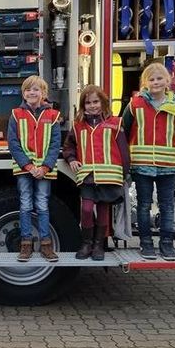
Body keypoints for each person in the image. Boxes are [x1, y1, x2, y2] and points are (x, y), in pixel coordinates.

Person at [121, 62, 175, 261]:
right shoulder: (135, 104)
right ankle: (146, 244)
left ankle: (167, 244)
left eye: (159, 78)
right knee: (143, 205)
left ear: (168, 81)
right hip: (141, 163)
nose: (156, 82)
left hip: (167, 164)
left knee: (167, 206)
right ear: (145, 83)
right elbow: (125, 129)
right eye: (151, 79)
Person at [63, 84, 129, 261]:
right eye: (88, 103)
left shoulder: (115, 124)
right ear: (83, 106)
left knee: (103, 211)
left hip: (109, 177)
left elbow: (123, 151)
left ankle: (99, 245)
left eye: (96, 102)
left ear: (103, 102)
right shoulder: (78, 127)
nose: (92, 106)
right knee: (85, 209)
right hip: (88, 177)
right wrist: (71, 159)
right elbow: (68, 146)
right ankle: (86, 244)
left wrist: (124, 175)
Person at [7, 75, 62, 262]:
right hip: (25, 169)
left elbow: (55, 144)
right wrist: (29, 166)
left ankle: (46, 245)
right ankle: (26, 245)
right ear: (23, 93)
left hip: (44, 171)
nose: (32, 92)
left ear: (43, 93)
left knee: (42, 205)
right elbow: (13, 144)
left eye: (36, 89)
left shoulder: (53, 116)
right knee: (25, 205)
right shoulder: (16, 114)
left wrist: (45, 167)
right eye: (28, 89)